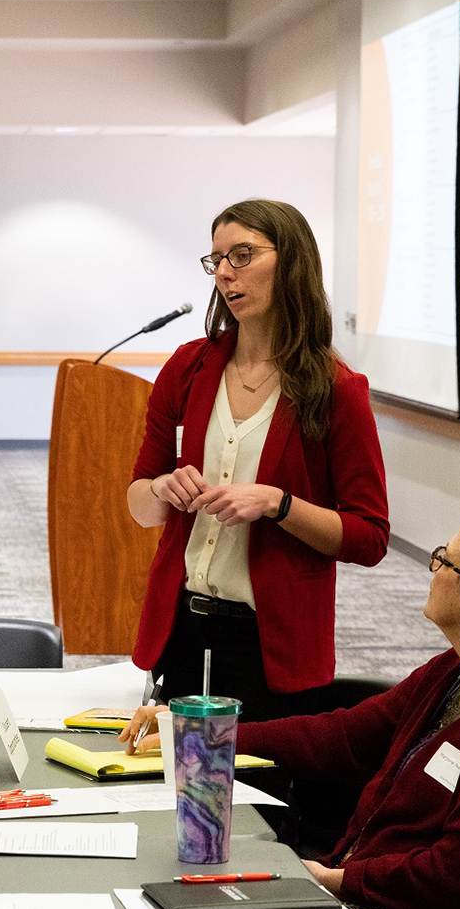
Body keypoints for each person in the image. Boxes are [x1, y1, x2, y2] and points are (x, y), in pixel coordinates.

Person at [124, 499, 460, 909]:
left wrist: (339, 881)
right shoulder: (456, 672)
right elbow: (344, 736)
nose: (432, 565)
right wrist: (213, 732)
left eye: (446, 559)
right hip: (378, 892)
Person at [126, 198, 388, 715]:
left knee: (257, 793)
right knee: (183, 791)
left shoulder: (337, 391)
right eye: (216, 260)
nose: (224, 273)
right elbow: (139, 503)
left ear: (290, 261)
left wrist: (279, 504)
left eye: (241, 255)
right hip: (181, 630)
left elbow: (370, 537)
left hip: (272, 648)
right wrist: (160, 490)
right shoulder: (186, 368)